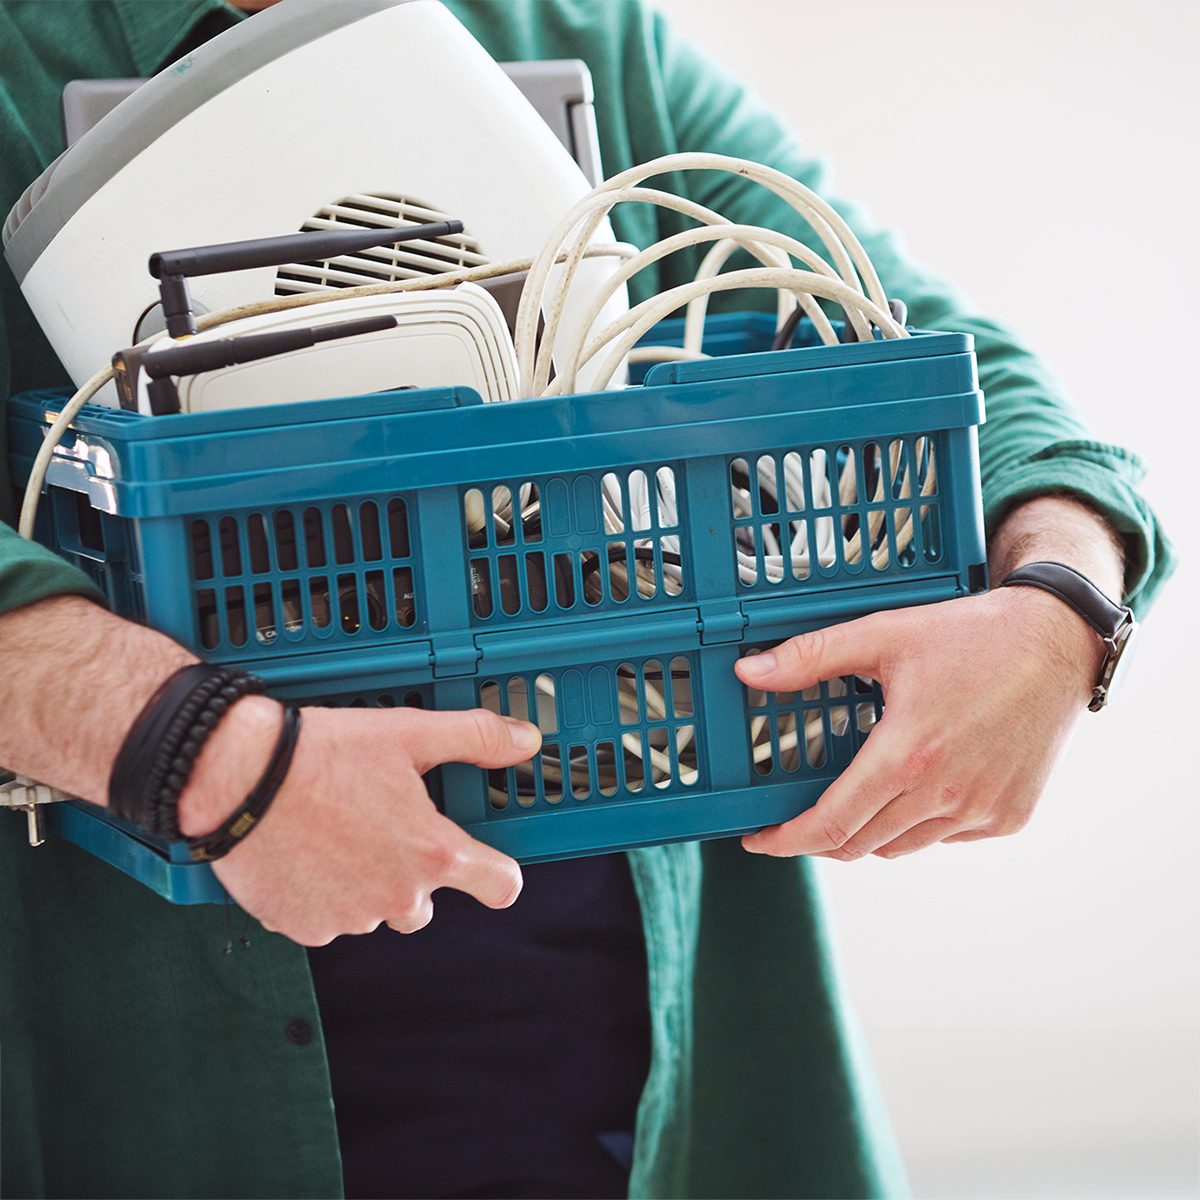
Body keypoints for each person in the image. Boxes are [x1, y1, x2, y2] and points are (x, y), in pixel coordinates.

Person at [0, 1, 1174, 1198]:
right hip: (156, 1104)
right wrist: (188, 747)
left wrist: (1059, 604)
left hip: (649, 1119)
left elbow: (979, 368)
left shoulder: (583, 37)